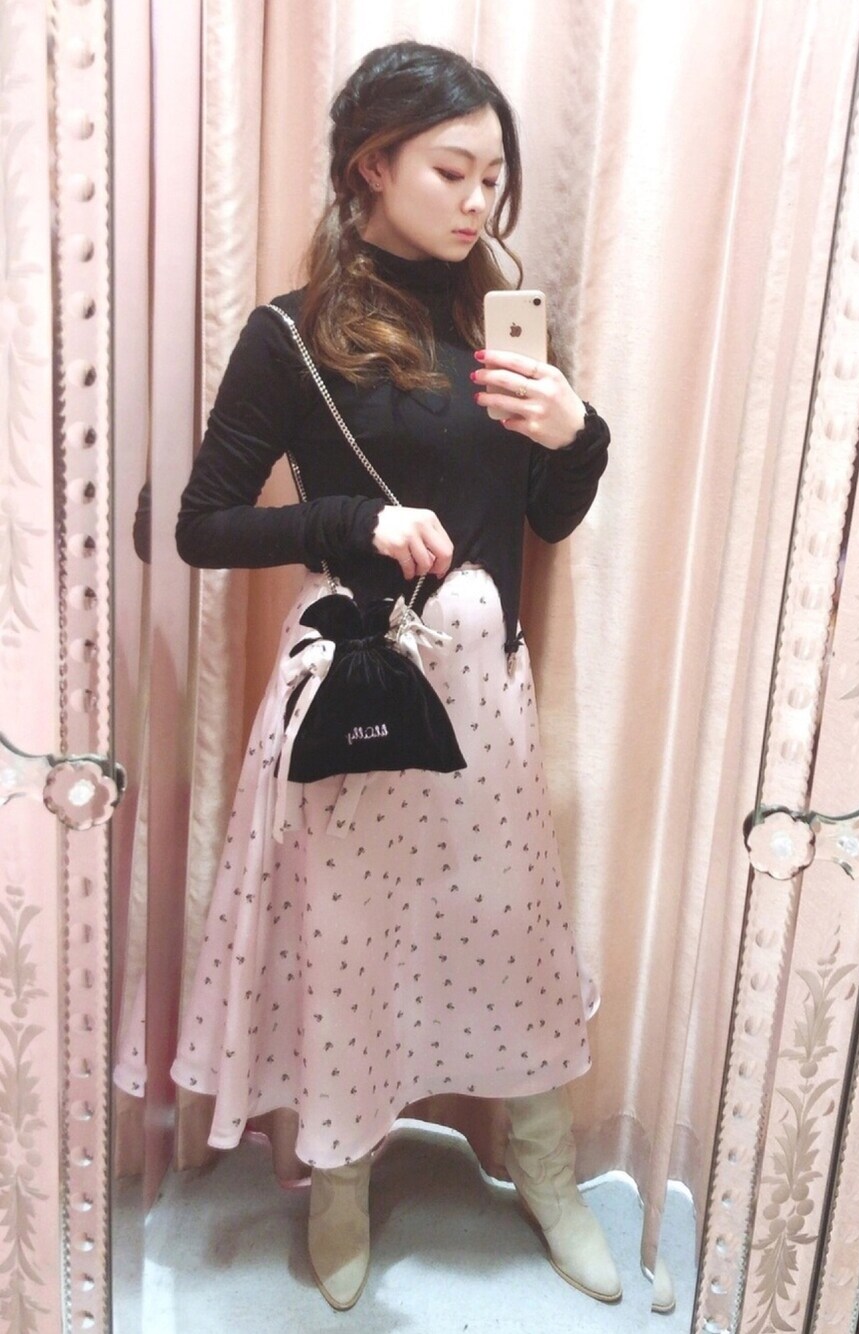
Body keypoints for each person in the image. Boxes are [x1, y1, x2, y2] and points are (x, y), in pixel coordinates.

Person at [170, 40, 618, 1312]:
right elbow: (203, 527)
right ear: (373, 165)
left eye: (494, 178)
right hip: (359, 686)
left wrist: (577, 434)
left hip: (485, 693)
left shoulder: (497, 322)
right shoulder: (290, 332)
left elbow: (546, 517)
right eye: (451, 170)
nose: (479, 201)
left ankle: (547, 1174)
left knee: (509, 933)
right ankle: (343, 1184)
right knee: (352, 946)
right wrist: (347, 522)